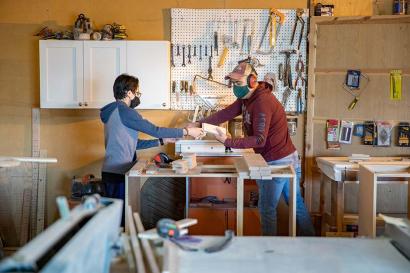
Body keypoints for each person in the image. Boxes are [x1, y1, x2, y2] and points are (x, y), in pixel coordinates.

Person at [191, 62, 315, 236]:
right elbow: (226, 113)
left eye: (238, 83)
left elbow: (259, 140)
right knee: (295, 204)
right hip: (283, 156)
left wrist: (228, 142)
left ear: (252, 81)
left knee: (267, 208)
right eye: (233, 83)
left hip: (279, 161)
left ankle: (267, 251)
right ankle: (312, 241)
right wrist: (199, 123)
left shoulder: (262, 102)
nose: (235, 87)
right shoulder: (247, 98)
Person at [100, 74, 203, 225]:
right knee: (119, 222)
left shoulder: (113, 111)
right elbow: (155, 129)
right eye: (136, 91)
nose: (137, 95)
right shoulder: (125, 111)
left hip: (112, 171)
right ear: (129, 92)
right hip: (118, 173)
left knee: (117, 220)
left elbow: (134, 144)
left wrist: (162, 140)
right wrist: (186, 132)